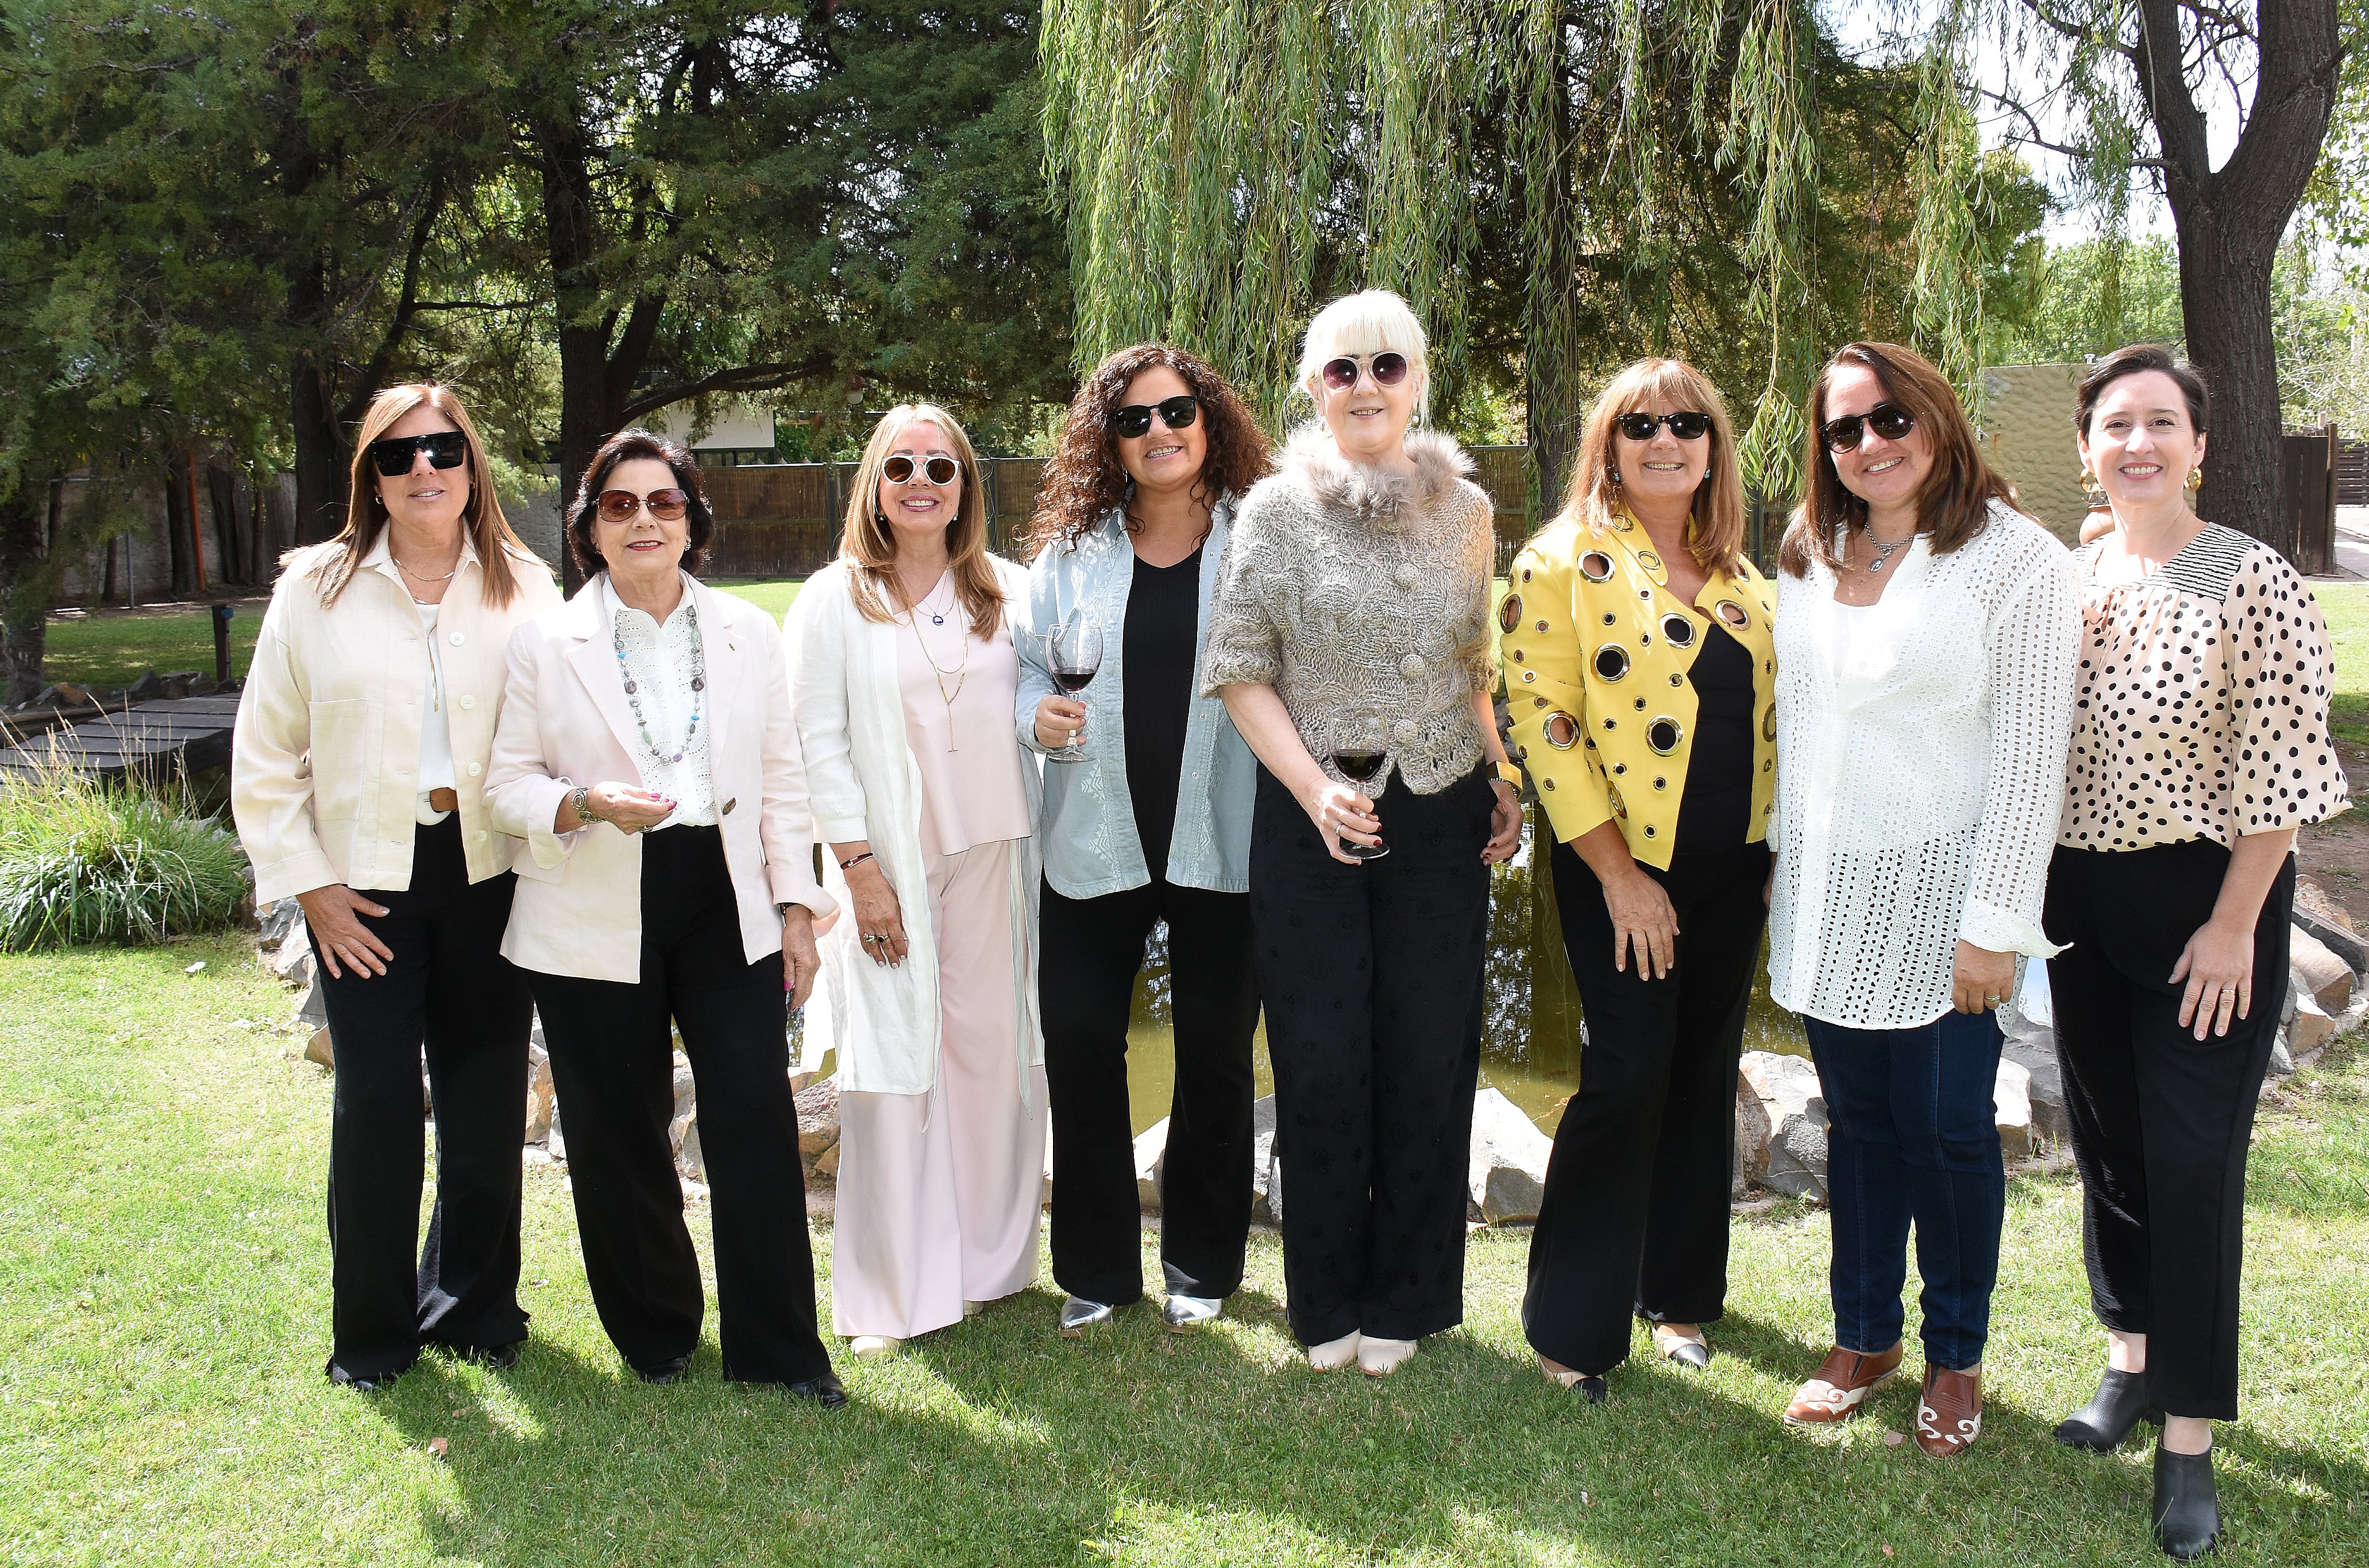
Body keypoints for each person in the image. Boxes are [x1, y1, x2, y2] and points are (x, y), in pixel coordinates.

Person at [2044, 345, 2347, 1559]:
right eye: (2116, 425)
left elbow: (2280, 769)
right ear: (2085, 446)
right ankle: (2127, 1363)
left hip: (2204, 907)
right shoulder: (2069, 580)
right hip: (2080, 904)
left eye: (2161, 424)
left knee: (2188, 1163)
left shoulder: (2255, 581)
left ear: (2199, 445)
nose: (2138, 445)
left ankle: (2186, 1441)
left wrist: (2232, 926)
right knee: (2109, 1145)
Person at [484, 430, 844, 1407]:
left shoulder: (746, 634)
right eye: (620, 504)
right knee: (615, 1126)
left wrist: (799, 910)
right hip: (592, 889)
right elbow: (505, 784)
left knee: (754, 1115)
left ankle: (778, 1349)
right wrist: (585, 802)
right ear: (590, 528)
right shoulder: (543, 642)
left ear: (694, 519)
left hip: (723, 894)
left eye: (665, 502)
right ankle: (655, 1332)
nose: (644, 519)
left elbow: (781, 783)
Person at [1767, 342, 2080, 1456]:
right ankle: (1863, 1336)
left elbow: (2032, 757)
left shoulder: (2018, 562)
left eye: (1888, 418)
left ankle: (1955, 1357)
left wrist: (1994, 923)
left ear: (1937, 420)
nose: (1869, 445)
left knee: (1946, 1132)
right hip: (1828, 896)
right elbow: (1802, 728)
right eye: (1844, 430)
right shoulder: (1811, 548)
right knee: (1856, 1129)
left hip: (1950, 903)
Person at [1202, 288, 1522, 1377]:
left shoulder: (1469, 515)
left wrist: (1504, 773)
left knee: (1430, 1055)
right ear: (1312, 389)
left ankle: (1412, 1298)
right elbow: (1240, 668)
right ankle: (1326, 1296)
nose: (1367, 385)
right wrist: (1310, 788)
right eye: (1343, 370)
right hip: (1310, 822)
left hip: (1441, 813)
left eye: (1387, 365)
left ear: (1420, 381)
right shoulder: (1272, 512)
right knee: (1322, 1060)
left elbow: (1478, 664)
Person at [232, 383, 561, 1390]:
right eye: (399, 454)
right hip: (361, 887)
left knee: (483, 1098)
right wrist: (313, 891)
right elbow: (263, 759)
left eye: (444, 449)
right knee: (374, 1108)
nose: (425, 468)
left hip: (491, 877)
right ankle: (374, 1335)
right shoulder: (314, 591)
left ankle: (471, 1309)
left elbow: (564, 731)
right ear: (370, 476)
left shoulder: (526, 585)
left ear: (473, 466)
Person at [1502, 360, 1778, 1401]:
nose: (1666, 441)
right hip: (1623, 868)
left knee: (1703, 1071)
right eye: (1641, 425)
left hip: (1732, 870)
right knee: (1626, 1076)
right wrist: (1618, 874)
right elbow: (1545, 724)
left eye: (1688, 423)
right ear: (1609, 445)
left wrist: (1773, 855)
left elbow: (1776, 729)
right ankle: (1570, 1322)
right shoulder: (1561, 562)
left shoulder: (1743, 576)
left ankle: (1680, 1297)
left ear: (1714, 445)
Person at [1017, 345, 1272, 1337]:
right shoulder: (1072, 553)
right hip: (1093, 838)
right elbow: (1024, 671)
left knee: (1215, 1050)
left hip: (1228, 837)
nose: (1159, 433)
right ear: (1109, 442)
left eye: (1175, 412)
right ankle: (1095, 1268)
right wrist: (1035, 714)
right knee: (1080, 1040)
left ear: (1207, 420)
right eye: (1135, 421)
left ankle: (1202, 1264)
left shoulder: (1262, 540)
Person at [786, 404, 1046, 1360]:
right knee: (895, 1058)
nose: (923, 480)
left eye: (942, 464)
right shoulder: (833, 599)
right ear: (874, 486)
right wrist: (857, 870)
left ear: (967, 483)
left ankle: (989, 1262)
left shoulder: (1009, 591)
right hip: (887, 861)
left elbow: (1041, 703)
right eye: (901, 466)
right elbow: (814, 743)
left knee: (990, 1049)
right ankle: (892, 1286)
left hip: (996, 852)